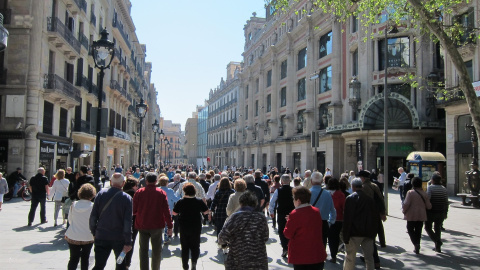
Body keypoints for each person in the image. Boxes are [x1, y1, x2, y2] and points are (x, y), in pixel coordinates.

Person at [89, 173, 132, 270]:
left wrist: (94, 231)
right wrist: (128, 241)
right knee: (120, 265)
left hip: (102, 234)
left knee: (99, 265)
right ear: (123, 183)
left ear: (111, 182)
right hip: (119, 237)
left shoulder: (100, 194)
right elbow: (127, 222)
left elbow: (93, 216)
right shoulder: (127, 198)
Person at [218, 191, 269, 270]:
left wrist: (225, 243)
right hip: (259, 259)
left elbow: (222, 236)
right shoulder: (261, 218)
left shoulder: (235, 217)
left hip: (238, 258)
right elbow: (265, 237)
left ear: (241, 203)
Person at [133, 172, 173, 270]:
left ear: (146, 181)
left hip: (142, 224)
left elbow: (134, 210)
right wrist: (170, 225)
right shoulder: (161, 193)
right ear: (156, 181)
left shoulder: (139, 192)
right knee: (156, 250)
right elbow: (166, 210)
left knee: (143, 250)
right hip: (157, 224)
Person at [283, 186, 327, 269]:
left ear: (298, 200)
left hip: (301, 255)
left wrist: (289, 221)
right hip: (316, 253)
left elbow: (288, 234)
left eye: (294, 199)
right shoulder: (316, 211)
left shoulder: (295, 213)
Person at [343, 178, 380, 270]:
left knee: (350, 257)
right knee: (369, 258)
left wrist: (345, 235)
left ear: (353, 187)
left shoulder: (350, 198)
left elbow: (348, 217)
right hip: (368, 233)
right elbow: (375, 217)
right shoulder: (369, 199)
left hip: (354, 233)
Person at [172, 183, 209, 270]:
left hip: (184, 226)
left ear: (185, 191)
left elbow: (174, 213)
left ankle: (185, 265)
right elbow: (206, 211)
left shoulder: (180, 201)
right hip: (195, 226)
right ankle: (194, 263)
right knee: (195, 246)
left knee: (184, 247)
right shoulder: (198, 201)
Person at [357, 170, 386, 268]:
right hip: (376, 214)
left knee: (369, 239)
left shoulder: (364, 187)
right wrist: (383, 212)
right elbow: (381, 198)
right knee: (371, 237)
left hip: (369, 215)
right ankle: (369, 256)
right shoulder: (374, 185)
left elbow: (365, 203)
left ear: (363, 178)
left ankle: (375, 260)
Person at [65, 184, 96, 270]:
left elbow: (70, 220)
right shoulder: (93, 206)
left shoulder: (74, 204)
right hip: (88, 236)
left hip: (73, 235)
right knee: (85, 258)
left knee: (73, 258)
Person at [402, 177, 432, 254]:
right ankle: (417, 244)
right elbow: (429, 206)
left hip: (411, 215)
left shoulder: (410, 193)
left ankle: (415, 243)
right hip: (421, 215)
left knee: (410, 229)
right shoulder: (424, 193)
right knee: (418, 231)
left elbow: (406, 204)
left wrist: (404, 210)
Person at [269, 174, 295, 257]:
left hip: (281, 213)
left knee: (281, 230)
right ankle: (290, 247)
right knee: (292, 230)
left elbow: (272, 201)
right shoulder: (293, 190)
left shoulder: (278, 190)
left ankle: (284, 247)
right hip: (292, 213)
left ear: (282, 181)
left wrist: (271, 211)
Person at [310, 171, 336, 248]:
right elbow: (333, 210)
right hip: (323, 223)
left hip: (310, 223)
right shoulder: (327, 194)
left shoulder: (308, 193)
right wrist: (330, 222)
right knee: (322, 244)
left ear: (311, 181)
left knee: (311, 245)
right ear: (322, 181)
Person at [425, 174, 448, 253]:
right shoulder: (444, 189)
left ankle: (437, 241)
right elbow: (446, 202)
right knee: (437, 228)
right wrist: (445, 212)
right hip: (441, 211)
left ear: (433, 180)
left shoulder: (430, 188)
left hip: (431, 211)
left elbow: (428, 198)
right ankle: (437, 247)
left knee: (427, 227)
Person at [326, 178, 345, 263]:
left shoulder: (326, 194)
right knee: (335, 237)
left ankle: (330, 254)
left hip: (327, 218)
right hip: (339, 219)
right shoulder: (341, 194)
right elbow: (344, 207)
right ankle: (334, 255)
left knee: (328, 238)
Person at [122, 176, 139, 269]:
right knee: (130, 243)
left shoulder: (122, 193)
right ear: (133, 186)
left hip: (121, 222)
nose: (138, 187)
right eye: (137, 185)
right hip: (133, 221)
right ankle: (127, 264)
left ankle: (121, 261)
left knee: (121, 244)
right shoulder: (134, 194)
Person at [158, 175, 179, 240]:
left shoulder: (158, 189)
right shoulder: (170, 191)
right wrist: (181, 197)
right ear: (167, 183)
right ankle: (166, 237)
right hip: (168, 209)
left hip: (158, 210)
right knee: (167, 223)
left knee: (160, 225)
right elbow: (175, 199)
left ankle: (160, 238)